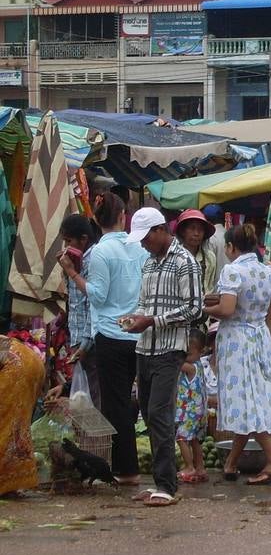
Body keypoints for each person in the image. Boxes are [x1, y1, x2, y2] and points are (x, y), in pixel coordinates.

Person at [60, 192, 145, 488]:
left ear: (96, 221)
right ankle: (159, 469)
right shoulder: (140, 248)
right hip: (140, 331)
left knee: (117, 405)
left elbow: (96, 295)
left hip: (110, 335)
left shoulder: (98, 254)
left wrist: (73, 274)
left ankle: (127, 470)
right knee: (147, 402)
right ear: (123, 216)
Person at [122, 207, 203, 506]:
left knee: (159, 413)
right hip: (145, 347)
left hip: (170, 349)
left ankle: (167, 485)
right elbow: (144, 303)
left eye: (146, 238)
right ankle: (159, 481)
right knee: (148, 411)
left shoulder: (185, 263)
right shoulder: (148, 264)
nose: (143, 244)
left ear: (159, 231)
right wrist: (136, 318)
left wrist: (152, 321)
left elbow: (193, 309)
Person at [202, 223, 271, 486]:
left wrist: (203, 308)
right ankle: (231, 464)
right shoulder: (268, 272)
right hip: (261, 339)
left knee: (248, 401)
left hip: (238, 341)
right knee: (251, 398)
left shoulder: (232, 271)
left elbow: (227, 309)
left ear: (230, 247)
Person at [57, 213, 101, 405]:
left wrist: (84, 345)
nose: (66, 246)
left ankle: (97, 436)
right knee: (82, 396)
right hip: (78, 341)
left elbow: (94, 304)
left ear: (83, 239)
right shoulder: (75, 260)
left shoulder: (93, 261)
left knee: (93, 395)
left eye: (69, 241)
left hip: (89, 342)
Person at [0, 336, 46, 496]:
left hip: (16, 365)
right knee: (15, 428)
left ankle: (6, 484)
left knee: (7, 427)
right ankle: (10, 485)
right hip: (28, 360)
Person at [175, 329, 209, 485]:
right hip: (199, 412)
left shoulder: (190, 367)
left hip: (188, 412)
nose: (184, 356)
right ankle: (200, 468)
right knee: (195, 440)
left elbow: (175, 363)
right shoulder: (199, 365)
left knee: (181, 438)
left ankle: (189, 466)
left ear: (201, 352)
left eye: (187, 353)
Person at [174, 208, 217, 297]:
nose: (196, 233)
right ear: (182, 231)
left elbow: (209, 286)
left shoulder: (209, 257)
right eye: (192, 228)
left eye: (200, 229)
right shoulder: (174, 256)